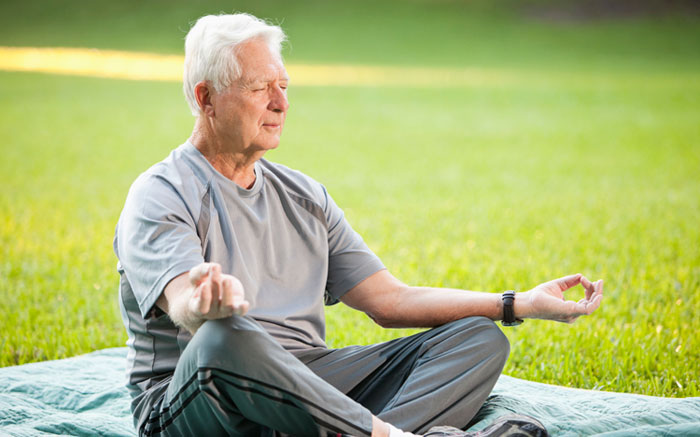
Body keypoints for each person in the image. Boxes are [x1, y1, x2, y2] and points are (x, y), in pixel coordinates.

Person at [114, 13, 604, 437]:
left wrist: (518, 303)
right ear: (207, 98)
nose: (281, 104)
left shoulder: (305, 196)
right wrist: (204, 304)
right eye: (261, 88)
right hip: (198, 400)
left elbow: (390, 301)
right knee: (222, 336)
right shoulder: (161, 193)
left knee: (477, 339)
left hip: (308, 388)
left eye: (284, 86)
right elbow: (184, 300)